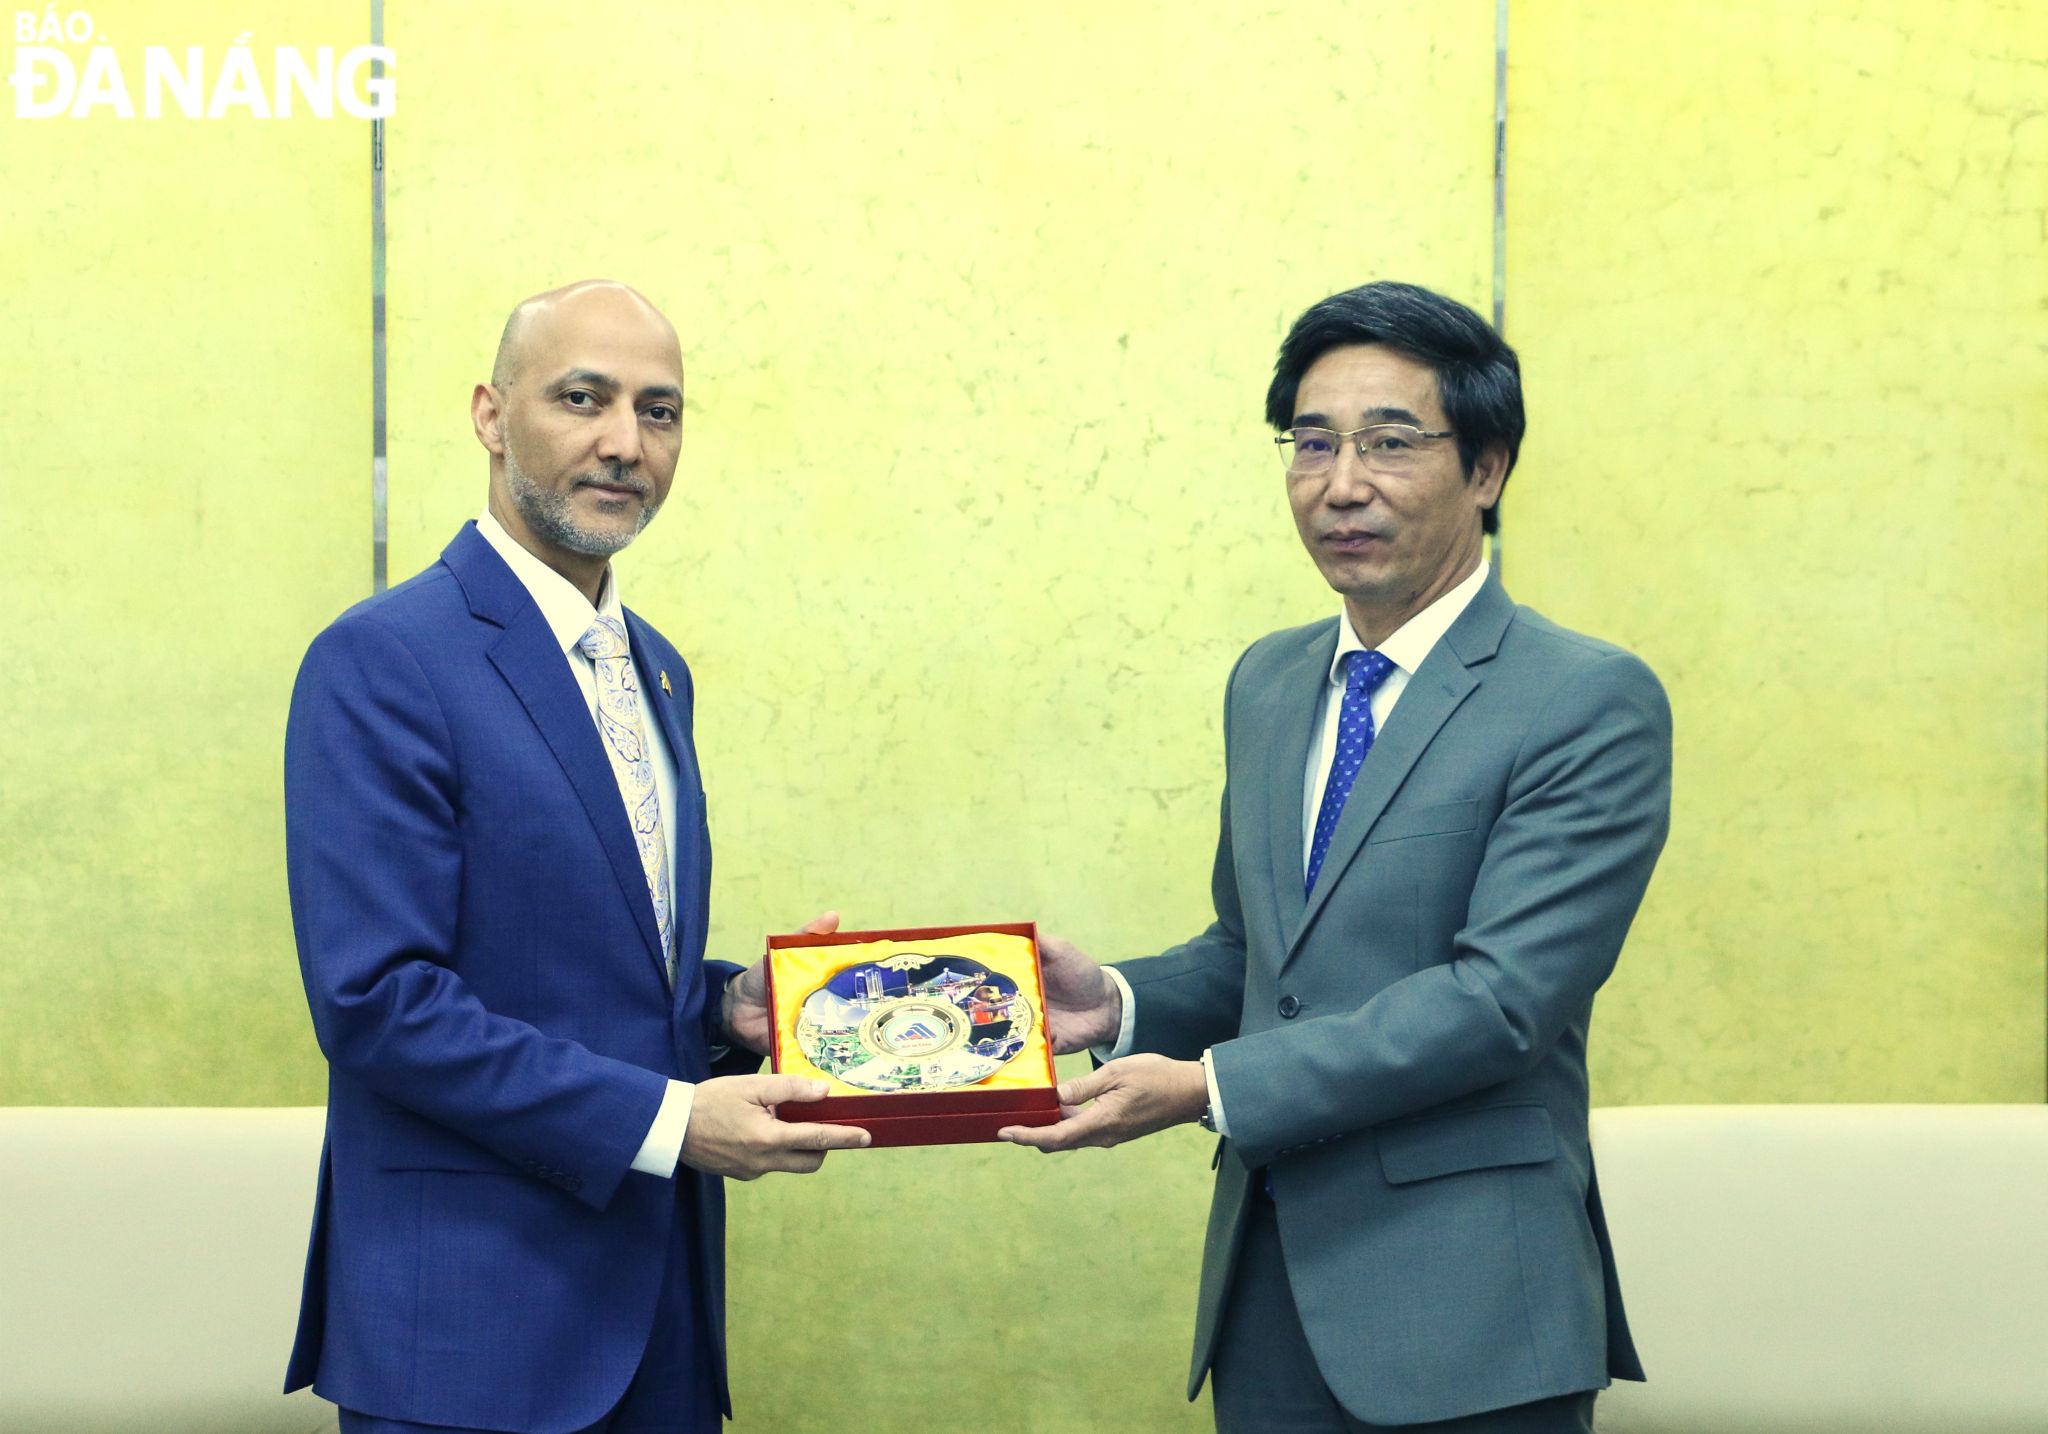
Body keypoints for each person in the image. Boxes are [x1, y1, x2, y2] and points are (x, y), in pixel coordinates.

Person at [1002, 281, 1671, 1434]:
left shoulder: (1583, 698)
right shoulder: (1269, 680)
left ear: (1486, 469)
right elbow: (1259, 956)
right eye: (1310, 444)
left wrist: (1213, 1087)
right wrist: (1113, 1002)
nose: (1339, 483)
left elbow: (1500, 1002)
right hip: (1267, 1294)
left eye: (1387, 443)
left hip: (1472, 1315)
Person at [283, 280, 868, 1434]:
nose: (623, 443)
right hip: (468, 1331)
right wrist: (672, 1123)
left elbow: (588, 968)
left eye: (659, 411)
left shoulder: (654, 666)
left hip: (656, 1321)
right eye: (582, 399)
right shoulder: (383, 659)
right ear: (491, 415)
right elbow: (378, 1003)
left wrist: (726, 1009)